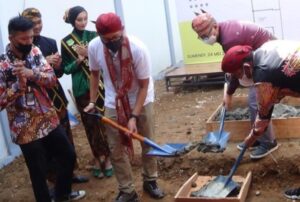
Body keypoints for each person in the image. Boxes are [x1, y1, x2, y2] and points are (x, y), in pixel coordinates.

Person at [0, 16, 85, 202]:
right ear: (11, 38)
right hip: (25, 128)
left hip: (48, 119)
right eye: (23, 39)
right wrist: (18, 87)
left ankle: (62, 195)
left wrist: (32, 74)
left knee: (68, 155)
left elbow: (52, 79)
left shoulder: (35, 51)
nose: (29, 42)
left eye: (31, 37)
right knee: (38, 173)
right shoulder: (2, 65)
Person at [84, 12, 165, 202]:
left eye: (116, 37)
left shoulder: (137, 49)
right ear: (99, 37)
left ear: (122, 30)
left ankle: (150, 180)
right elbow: (94, 74)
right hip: (114, 100)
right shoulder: (94, 47)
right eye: (107, 39)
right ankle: (127, 190)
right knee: (115, 147)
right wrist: (92, 102)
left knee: (147, 141)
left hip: (141, 97)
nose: (112, 42)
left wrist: (134, 117)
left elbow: (144, 85)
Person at [192, 11, 278, 159]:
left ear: (215, 26)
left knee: (255, 101)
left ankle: (269, 142)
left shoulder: (229, 39)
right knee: (253, 101)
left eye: (206, 35)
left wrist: (229, 93)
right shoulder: (224, 32)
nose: (205, 39)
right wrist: (228, 91)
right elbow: (232, 66)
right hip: (258, 55)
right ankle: (257, 137)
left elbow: (236, 67)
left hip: (270, 56)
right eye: (202, 37)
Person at [221, 40, 300, 200]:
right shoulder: (262, 51)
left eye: (237, 74)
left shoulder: (264, 76)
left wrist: (251, 137)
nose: (238, 78)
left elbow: (263, 119)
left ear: (246, 68)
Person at [21, 7, 88, 184]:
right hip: (38, 102)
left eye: (39, 22)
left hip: (56, 98)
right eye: (33, 24)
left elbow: (58, 74)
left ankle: (71, 173)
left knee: (65, 136)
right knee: (46, 141)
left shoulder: (49, 42)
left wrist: (57, 65)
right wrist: (44, 64)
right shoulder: (22, 48)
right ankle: (53, 179)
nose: (37, 27)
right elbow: (24, 77)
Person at [61, 6, 112, 178]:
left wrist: (88, 54)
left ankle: (108, 158)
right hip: (81, 87)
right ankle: (98, 157)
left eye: (85, 18)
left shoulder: (94, 36)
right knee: (90, 124)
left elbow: (105, 58)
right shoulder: (66, 41)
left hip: (100, 85)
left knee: (104, 122)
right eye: (79, 19)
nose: (83, 22)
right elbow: (65, 69)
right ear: (72, 21)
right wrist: (78, 60)